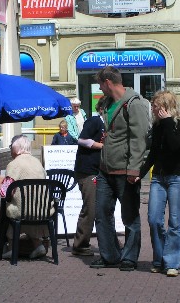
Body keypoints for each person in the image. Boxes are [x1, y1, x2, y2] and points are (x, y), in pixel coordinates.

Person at [90, 66, 150, 272]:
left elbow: (139, 138)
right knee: (101, 213)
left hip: (125, 171)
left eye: (100, 84)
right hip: (105, 170)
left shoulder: (134, 104)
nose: (99, 88)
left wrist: (134, 169)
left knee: (130, 216)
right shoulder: (107, 104)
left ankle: (129, 258)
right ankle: (110, 256)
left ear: (108, 82)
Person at [140, 90, 180, 277]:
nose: (152, 109)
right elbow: (154, 153)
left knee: (175, 222)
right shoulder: (158, 126)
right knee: (154, 219)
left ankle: (172, 263)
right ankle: (159, 258)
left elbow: (175, 145)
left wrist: (168, 122)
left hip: (178, 177)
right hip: (159, 178)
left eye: (155, 106)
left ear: (166, 107)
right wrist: (141, 173)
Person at [0, 135, 51, 259]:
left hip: (22, 211)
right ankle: (38, 245)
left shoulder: (14, 164)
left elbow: (5, 193)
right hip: (41, 210)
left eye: (11, 146)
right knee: (28, 206)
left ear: (16, 149)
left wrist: (0, 182)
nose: (10, 149)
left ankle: (11, 247)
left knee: (12, 208)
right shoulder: (37, 162)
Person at [71, 96, 106, 257]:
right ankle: (80, 244)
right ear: (102, 109)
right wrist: (103, 146)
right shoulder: (94, 121)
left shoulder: (107, 124)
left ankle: (109, 242)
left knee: (103, 207)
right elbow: (82, 140)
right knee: (90, 207)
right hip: (87, 170)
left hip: (99, 170)